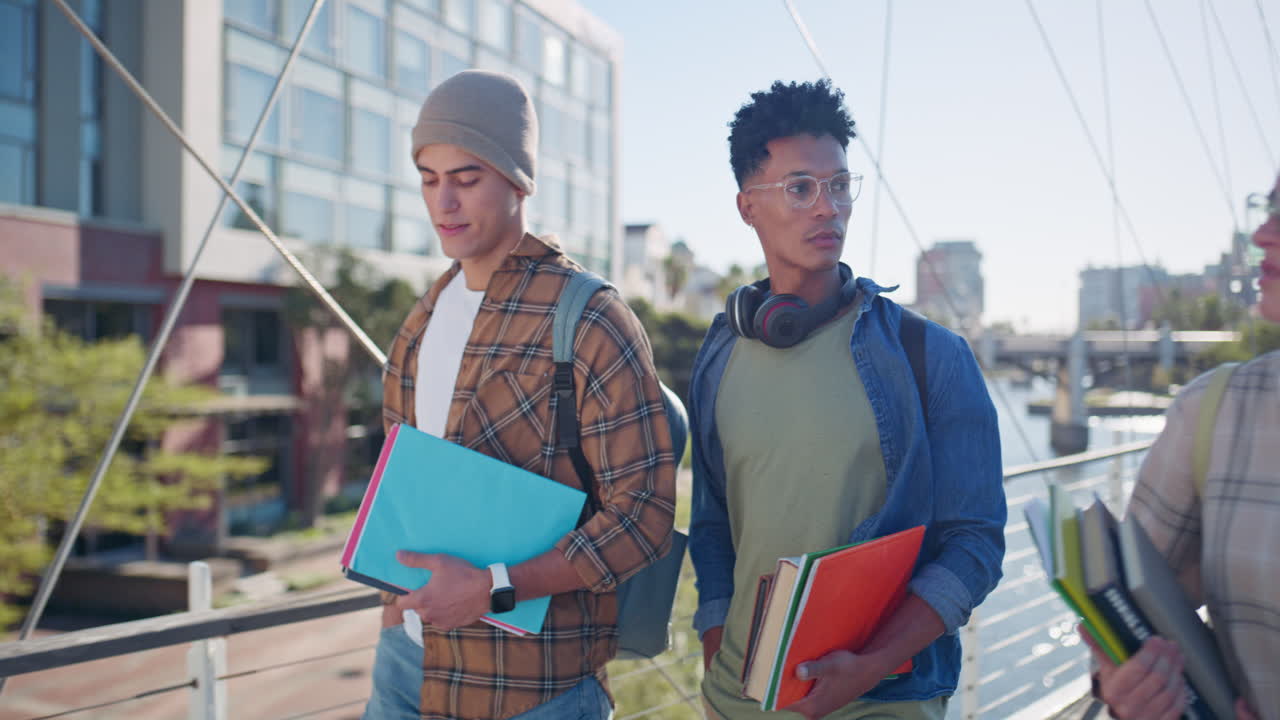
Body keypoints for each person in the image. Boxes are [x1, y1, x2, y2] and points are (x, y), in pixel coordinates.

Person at [688, 79, 1007, 720]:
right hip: (737, 699)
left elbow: (975, 542)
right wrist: (719, 641)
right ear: (748, 205)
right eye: (800, 187)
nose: (826, 208)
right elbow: (714, 523)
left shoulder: (932, 356)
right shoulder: (719, 354)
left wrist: (870, 667)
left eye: (839, 186)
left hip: (882, 702)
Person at [363, 70, 676, 720]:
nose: (443, 202)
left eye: (466, 178)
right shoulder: (420, 321)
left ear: (518, 180)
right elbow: (402, 483)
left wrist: (495, 588)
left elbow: (643, 516)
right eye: (428, 178)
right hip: (405, 670)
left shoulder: (588, 317)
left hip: (535, 690)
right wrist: (393, 603)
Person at [1083, 174, 1280, 720]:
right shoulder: (1214, 412)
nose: (1262, 232)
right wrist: (1125, 689)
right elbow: (1121, 625)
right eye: (1268, 207)